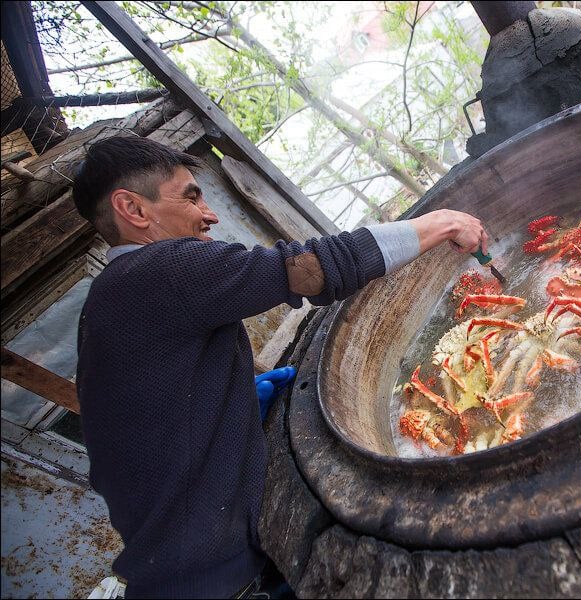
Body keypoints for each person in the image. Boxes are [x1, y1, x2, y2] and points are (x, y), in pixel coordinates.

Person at [73, 136, 489, 598]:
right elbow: (312, 269)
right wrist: (440, 222)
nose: (209, 214)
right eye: (191, 196)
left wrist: (237, 403)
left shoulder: (108, 303)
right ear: (133, 209)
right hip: (218, 581)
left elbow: (146, 421)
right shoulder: (155, 272)